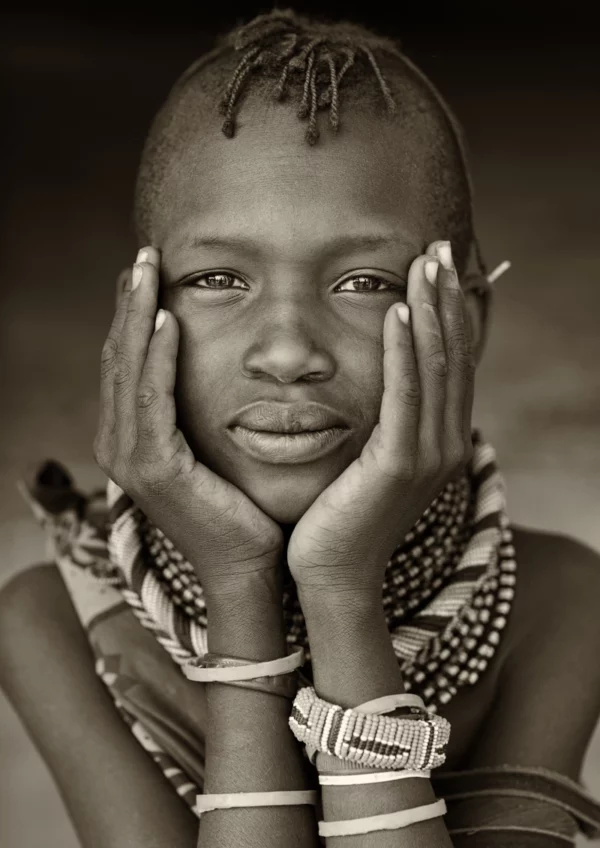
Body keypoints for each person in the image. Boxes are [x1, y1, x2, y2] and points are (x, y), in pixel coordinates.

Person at [2, 8, 600, 847]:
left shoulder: (558, 603)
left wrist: (341, 587)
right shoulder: (58, 622)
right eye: (218, 277)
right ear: (136, 322)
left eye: (362, 282)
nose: (287, 352)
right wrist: (237, 585)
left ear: (462, 321)